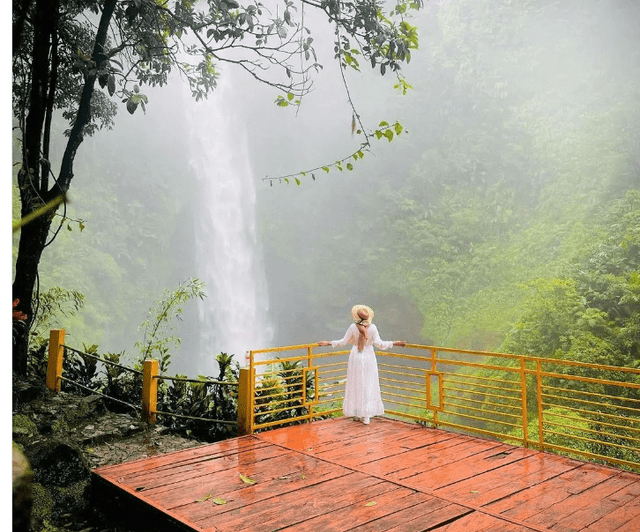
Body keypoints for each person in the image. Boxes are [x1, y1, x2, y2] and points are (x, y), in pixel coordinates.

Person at [318, 305, 406, 425]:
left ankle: (358, 412)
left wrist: (328, 343)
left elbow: (343, 342)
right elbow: (380, 344)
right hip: (369, 355)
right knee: (368, 383)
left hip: (356, 356)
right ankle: (366, 415)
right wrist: (395, 343)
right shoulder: (373, 328)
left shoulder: (352, 327)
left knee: (356, 383)